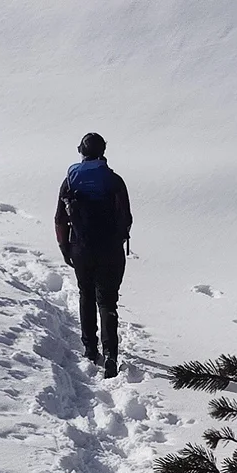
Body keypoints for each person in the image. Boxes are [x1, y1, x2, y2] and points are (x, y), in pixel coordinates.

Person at [55, 131, 134, 375]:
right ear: (103, 151)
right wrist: (118, 240)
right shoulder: (114, 181)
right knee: (108, 300)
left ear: (81, 151)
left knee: (86, 294)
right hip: (110, 249)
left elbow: (60, 219)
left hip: (81, 248)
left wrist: (65, 247)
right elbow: (126, 217)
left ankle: (90, 348)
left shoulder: (70, 181)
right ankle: (111, 354)